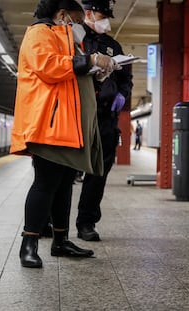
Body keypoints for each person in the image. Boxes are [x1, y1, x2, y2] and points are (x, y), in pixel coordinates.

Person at [13, 0, 114, 268]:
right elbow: (48, 66)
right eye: (75, 20)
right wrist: (88, 60)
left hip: (68, 124)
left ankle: (60, 241)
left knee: (64, 183)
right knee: (45, 183)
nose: (77, 26)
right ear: (62, 14)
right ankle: (29, 244)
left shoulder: (64, 36)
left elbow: (72, 74)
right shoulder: (39, 33)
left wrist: (97, 73)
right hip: (49, 122)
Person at [76, 0, 133, 241]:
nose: (106, 20)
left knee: (99, 171)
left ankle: (87, 222)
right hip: (77, 114)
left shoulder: (113, 45)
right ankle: (50, 219)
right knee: (64, 169)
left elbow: (125, 79)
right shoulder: (74, 39)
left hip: (106, 117)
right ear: (88, 13)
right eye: (102, 14)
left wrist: (122, 94)